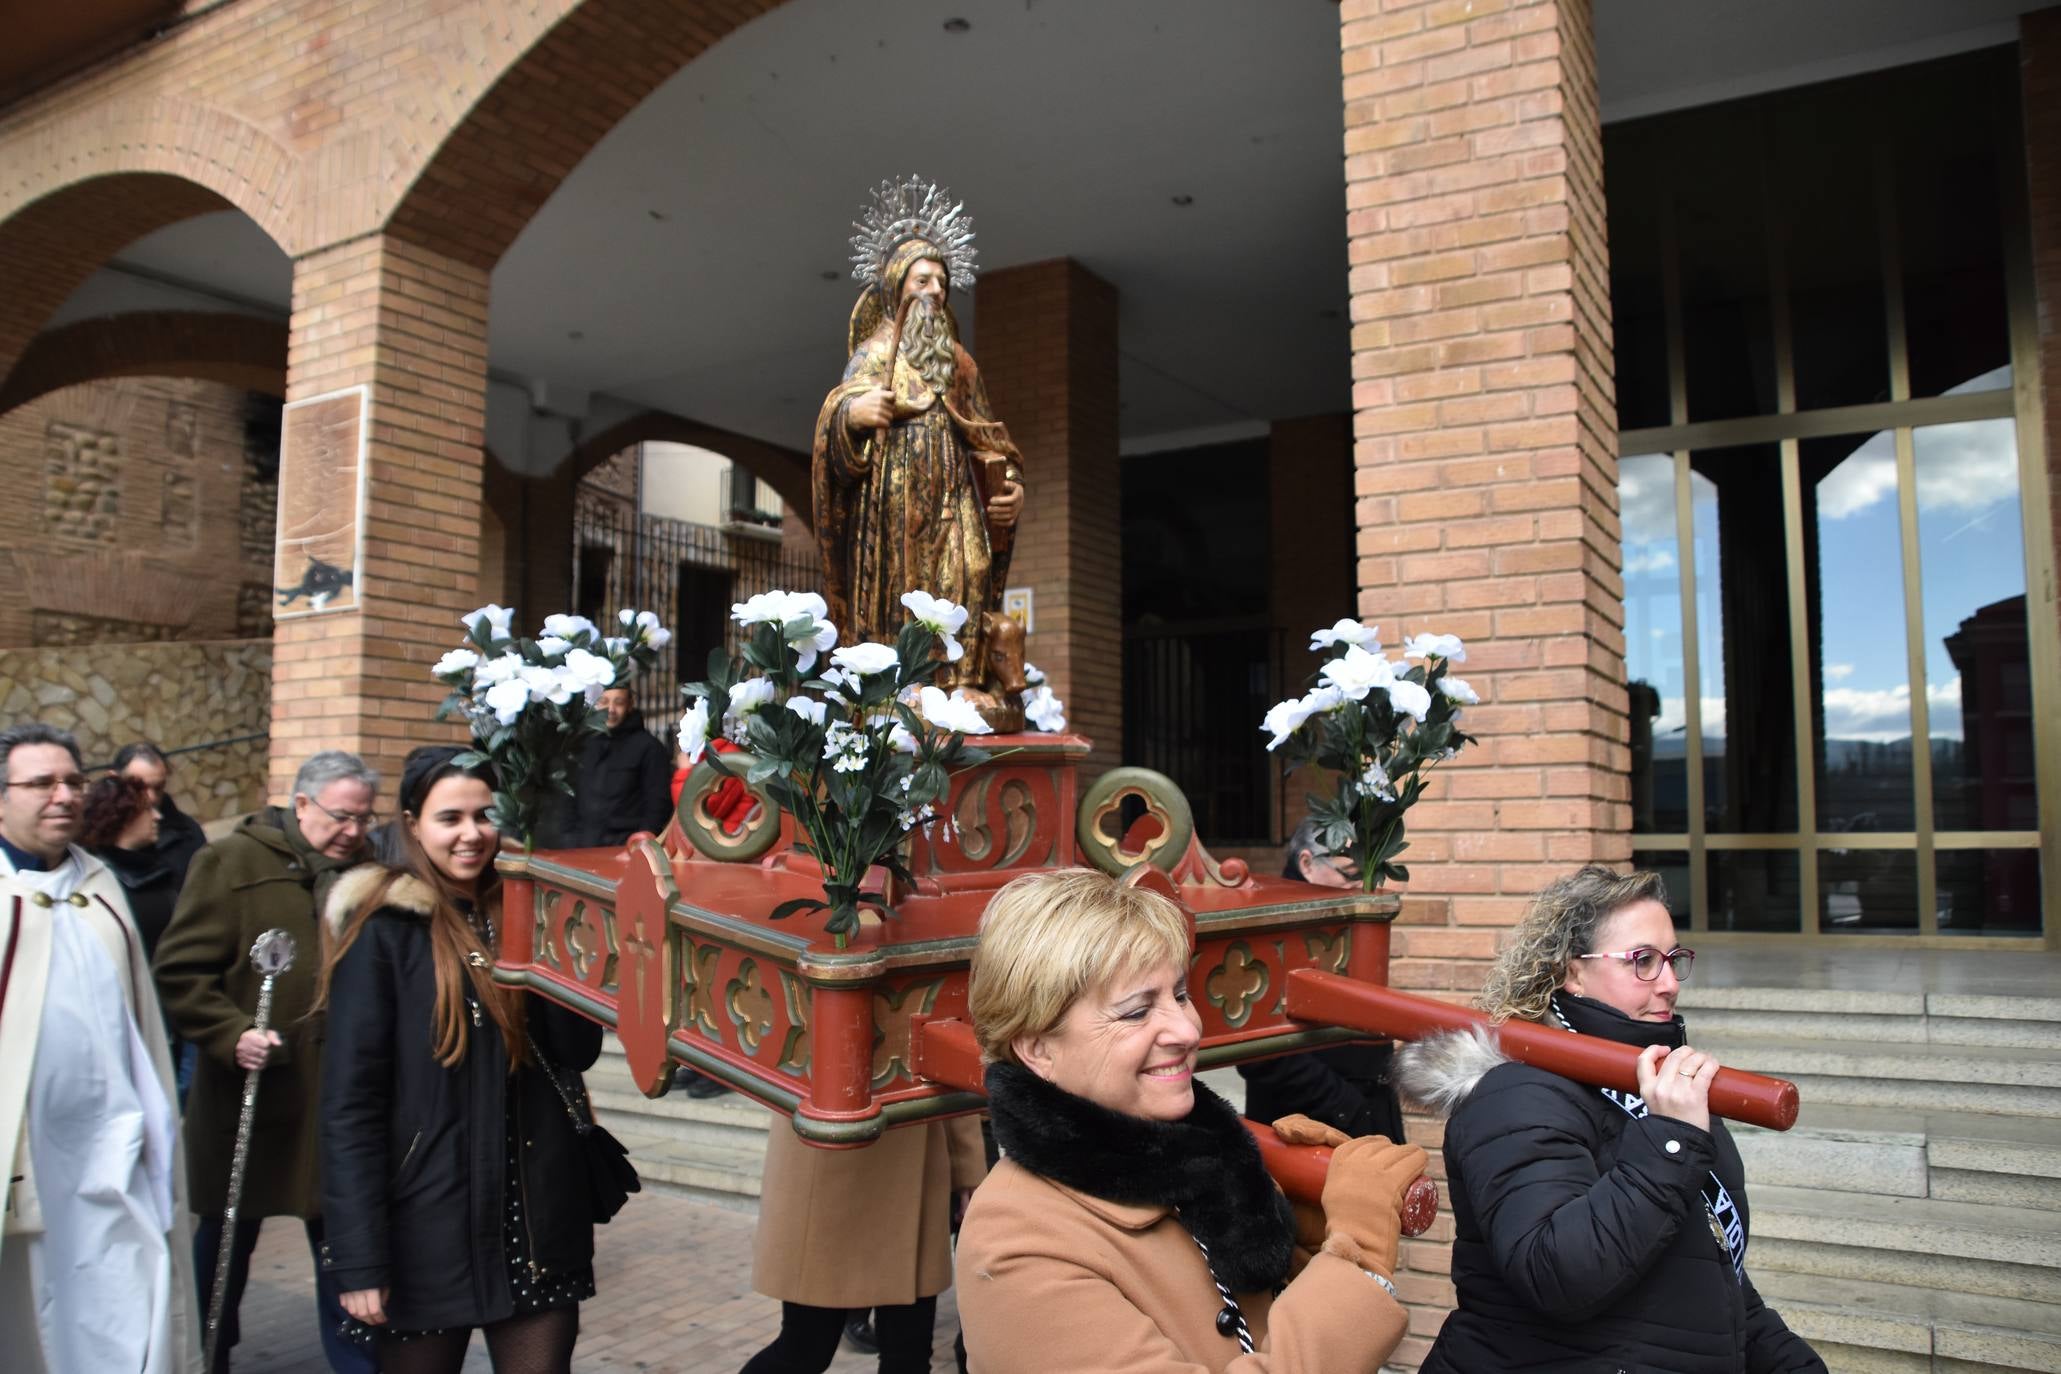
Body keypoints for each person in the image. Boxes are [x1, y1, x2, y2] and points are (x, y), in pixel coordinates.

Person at [955, 868, 1421, 1373]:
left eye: (1179, 994)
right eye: (1136, 1012)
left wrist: (1309, 1231)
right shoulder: (1017, 1240)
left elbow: (1249, 1330)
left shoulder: (1199, 1164)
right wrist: (1357, 1257)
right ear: (1038, 1048)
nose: (1186, 1028)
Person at [1394, 865, 1826, 1373]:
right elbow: (1554, 1275)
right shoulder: (1516, 1091)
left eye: (1673, 960)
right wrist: (1672, 1141)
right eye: (1642, 961)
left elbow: (1706, 1271)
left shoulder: (1657, 1088)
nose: (1668, 984)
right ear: (1572, 971)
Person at [319, 747, 603, 1374]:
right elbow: (351, 1107)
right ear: (413, 823)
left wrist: (550, 928)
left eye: (486, 815)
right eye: (451, 818)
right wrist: (359, 1258)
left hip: (534, 1225)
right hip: (426, 1227)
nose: (472, 834)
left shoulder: (531, 911)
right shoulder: (385, 929)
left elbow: (577, 1050)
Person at [154, 749, 383, 1374]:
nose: (355, 832)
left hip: (334, 1101)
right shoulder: (230, 861)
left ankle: (356, 1362)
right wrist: (229, 1034)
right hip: (251, 1097)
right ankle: (204, 1353)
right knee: (225, 1239)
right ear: (301, 803)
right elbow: (179, 971)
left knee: (343, 1241)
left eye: (365, 819)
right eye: (342, 816)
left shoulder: (367, 873)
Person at [0, 721, 202, 1374]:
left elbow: (136, 1021)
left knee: (123, 1311)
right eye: (40, 783)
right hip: (23, 1158)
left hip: (114, 1154)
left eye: (72, 781)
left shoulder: (101, 887)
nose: (63, 795)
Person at [814, 180, 1028, 718]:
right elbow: (835, 421)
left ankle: (963, 684)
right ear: (895, 287)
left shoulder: (958, 363)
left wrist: (1013, 490)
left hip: (955, 492)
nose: (934, 290)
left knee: (972, 568)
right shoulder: (873, 353)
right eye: (922, 280)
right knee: (903, 582)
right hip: (894, 493)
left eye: (942, 282)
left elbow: (990, 436)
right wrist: (854, 415)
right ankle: (899, 685)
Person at [742, 1065, 987, 1372]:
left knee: (908, 1356)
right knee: (805, 1349)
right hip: (824, 1154)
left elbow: (944, 1043)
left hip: (916, 1149)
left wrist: (967, 1166)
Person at [1235, 819, 1407, 1143]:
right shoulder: (1270, 918)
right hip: (1310, 1120)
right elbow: (1257, 1051)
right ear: (1307, 864)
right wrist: (1346, 1107)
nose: (1361, 887)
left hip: (1369, 1101)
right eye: (1350, 874)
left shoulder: (1339, 909)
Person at [82, 772, 181, 959]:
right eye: (148, 809)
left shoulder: (158, 865)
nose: (158, 816)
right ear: (124, 817)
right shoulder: (101, 882)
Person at [564, 684, 673, 848]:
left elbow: (658, 805)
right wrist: (570, 839)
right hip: (582, 847)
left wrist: (640, 844)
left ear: (630, 704)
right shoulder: (582, 744)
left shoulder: (649, 747)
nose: (611, 709)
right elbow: (569, 797)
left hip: (625, 848)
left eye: (619, 702)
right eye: (604, 702)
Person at [115, 740, 210, 888]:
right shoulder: (92, 842)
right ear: (115, 780)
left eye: (158, 787)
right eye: (139, 787)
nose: (151, 797)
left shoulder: (189, 834)